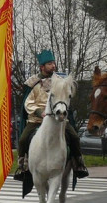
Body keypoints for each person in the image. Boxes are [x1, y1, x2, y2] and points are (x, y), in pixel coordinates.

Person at [14, 50, 88, 180]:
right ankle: (22, 166)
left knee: (75, 137)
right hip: (36, 119)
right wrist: (39, 112)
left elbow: (67, 95)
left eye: (53, 63)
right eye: (49, 63)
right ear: (42, 67)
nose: (53, 66)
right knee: (23, 139)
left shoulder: (60, 80)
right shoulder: (33, 82)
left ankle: (78, 164)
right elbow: (28, 103)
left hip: (58, 118)